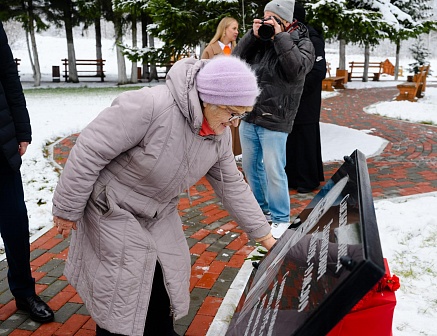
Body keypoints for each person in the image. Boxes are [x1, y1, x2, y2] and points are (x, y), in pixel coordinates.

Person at [52, 55, 276, 336]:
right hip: (110, 208)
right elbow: (89, 150)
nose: (235, 124)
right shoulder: (150, 106)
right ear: (209, 100)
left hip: (157, 212)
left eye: (242, 115)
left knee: (168, 275)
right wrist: (67, 208)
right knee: (123, 287)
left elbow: (232, 186)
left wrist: (265, 237)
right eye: (233, 113)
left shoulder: (217, 135)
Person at [232, 0, 315, 239]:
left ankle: (280, 218)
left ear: (286, 21)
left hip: (276, 117)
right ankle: (261, 211)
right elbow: (235, 62)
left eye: (273, 18)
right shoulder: (260, 42)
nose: (268, 22)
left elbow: (296, 70)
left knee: (274, 169)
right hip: (250, 114)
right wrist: (252, 36)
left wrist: (281, 38)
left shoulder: (303, 42)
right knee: (250, 166)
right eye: (265, 17)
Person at [0, 21, 54, 323]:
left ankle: (24, 293)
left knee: (16, 225)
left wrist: (22, 130)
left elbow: (8, 76)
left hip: (1, 145)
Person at [285, 2, 325, 194]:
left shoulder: (313, 39)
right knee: (291, 139)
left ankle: (308, 179)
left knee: (306, 138)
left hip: (306, 98)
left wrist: (297, 89)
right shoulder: (285, 37)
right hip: (288, 100)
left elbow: (318, 71)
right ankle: (292, 176)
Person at [201, 17, 242, 156]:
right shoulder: (210, 50)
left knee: (233, 133)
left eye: (237, 29)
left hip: (235, 100)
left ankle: (232, 161)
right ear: (224, 29)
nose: (237, 32)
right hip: (217, 103)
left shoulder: (238, 50)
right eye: (234, 28)